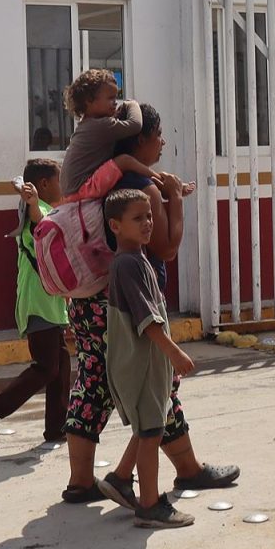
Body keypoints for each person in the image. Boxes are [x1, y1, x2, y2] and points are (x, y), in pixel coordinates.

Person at [63, 103, 239, 503]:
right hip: (130, 302)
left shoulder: (103, 176)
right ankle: (171, 475)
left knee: (92, 381)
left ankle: (82, 480)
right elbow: (167, 247)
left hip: (89, 297)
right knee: (158, 385)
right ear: (141, 139)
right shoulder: (140, 187)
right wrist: (174, 198)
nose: (162, 142)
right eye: (158, 135)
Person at [99, 188, 199, 528]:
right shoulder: (128, 264)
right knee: (151, 433)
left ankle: (121, 479)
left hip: (148, 365)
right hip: (140, 365)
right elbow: (147, 319)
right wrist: (175, 352)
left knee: (148, 427)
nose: (147, 223)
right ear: (115, 225)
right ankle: (150, 504)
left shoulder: (136, 259)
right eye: (137, 218)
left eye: (149, 216)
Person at [0, 159, 71, 447]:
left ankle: (56, 427)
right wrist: (32, 201)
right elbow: (43, 223)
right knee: (46, 367)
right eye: (58, 179)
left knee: (61, 366)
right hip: (38, 303)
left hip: (51, 304)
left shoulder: (37, 207)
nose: (62, 185)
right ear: (43, 185)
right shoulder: (34, 215)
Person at [58, 68, 158, 197]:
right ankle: (160, 180)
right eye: (111, 98)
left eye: (116, 97)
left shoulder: (86, 125)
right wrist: (132, 104)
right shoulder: (101, 126)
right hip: (82, 188)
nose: (115, 102)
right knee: (124, 161)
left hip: (71, 191)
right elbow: (135, 125)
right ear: (89, 100)